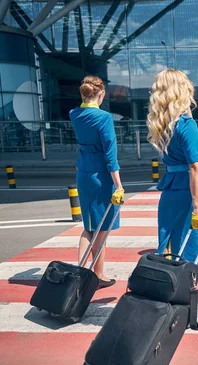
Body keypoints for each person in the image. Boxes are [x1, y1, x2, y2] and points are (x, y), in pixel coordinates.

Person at [147, 69, 198, 266]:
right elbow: (194, 167)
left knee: (173, 251)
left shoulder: (163, 124)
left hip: (171, 191)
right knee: (192, 258)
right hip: (191, 192)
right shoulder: (186, 125)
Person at [70, 76, 124, 289]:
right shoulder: (104, 118)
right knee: (101, 229)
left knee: (89, 227)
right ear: (101, 94)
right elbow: (111, 155)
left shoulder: (74, 114)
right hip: (101, 176)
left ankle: (81, 272)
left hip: (83, 173)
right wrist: (118, 185)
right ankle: (98, 275)